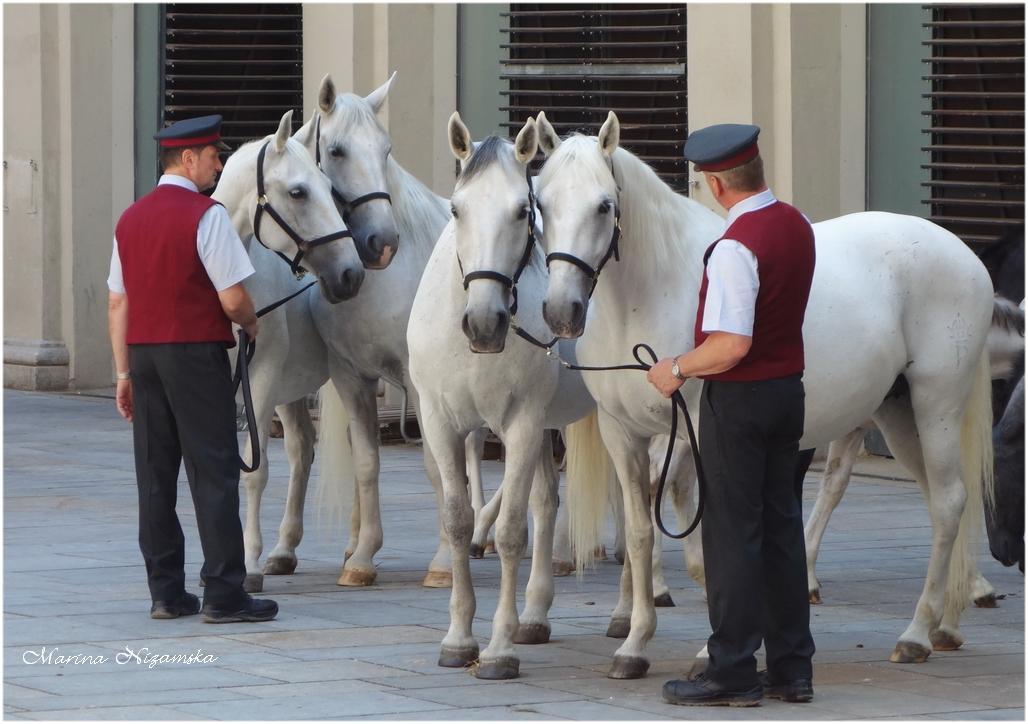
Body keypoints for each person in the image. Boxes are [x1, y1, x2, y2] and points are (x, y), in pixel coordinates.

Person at [647, 123, 816, 706]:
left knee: (732, 537)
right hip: (786, 394)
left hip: (740, 400)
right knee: (780, 531)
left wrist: (677, 367)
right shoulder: (795, 224)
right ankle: (794, 668)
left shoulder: (735, 246)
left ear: (716, 183)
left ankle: (733, 670)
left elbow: (731, 344)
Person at [107, 114, 278, 624]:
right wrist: (251, 325)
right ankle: (224, 594)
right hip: (195, 354)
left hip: (144, 355)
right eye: (212, 156)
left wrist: (122, 374)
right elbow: (232, 298)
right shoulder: (207, 215)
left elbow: (118, 303)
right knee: (214, 471)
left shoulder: (130, 218)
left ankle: (165, 593)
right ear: (188, 159)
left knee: (155, 477)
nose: (218, 164)